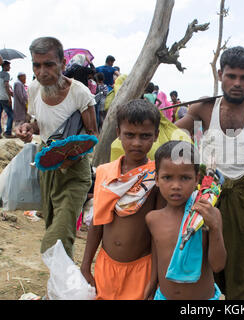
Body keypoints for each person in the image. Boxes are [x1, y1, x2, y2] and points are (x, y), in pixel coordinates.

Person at [175, 46, 244, 300]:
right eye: (231, 76)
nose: (237, 83)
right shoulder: (203, 109)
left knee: (240, 273)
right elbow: (173, 140)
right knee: (202, 269)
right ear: (219, 74)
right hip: (204, 196)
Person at [15, 36, 98, 258]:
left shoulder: (79, 92)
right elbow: (39, 124)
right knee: (54, 225)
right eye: (37, 65)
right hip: (47, 169)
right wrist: (27, 128)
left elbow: (92, 135)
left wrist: (71, 157)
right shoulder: (34, 89)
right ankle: (62, 287)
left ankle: (62, 283)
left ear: (62, 64)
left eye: (49, 64)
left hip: (74, 172)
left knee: (59, 234)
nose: (42, 71)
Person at [81, 99, 162, 300]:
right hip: (105, 266)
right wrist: (85, 266)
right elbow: (97, 222)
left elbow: (158, 233)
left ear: (156, 136)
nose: (136, 142)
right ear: (118, 133)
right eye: (129, 135)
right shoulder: (105, 173)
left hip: (141, 269)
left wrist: (154, 279)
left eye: (145, 136)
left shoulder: (157, 177)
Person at [144, 140, 226, 300]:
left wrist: (214, 227)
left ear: (197, 179)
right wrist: (152, 283)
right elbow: (157, 255)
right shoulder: (153, 219)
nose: (176, 185)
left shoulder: (207, 215)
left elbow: (218, 266)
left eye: (185, 178)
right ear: (156, 179)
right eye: (167, 177)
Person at [0, 60, 15, 138]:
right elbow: (5, 86)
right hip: (4, 97)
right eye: (8, 66)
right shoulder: (6, 74)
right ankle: (8, 133)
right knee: (11, 115)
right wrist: (10, 98)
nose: (10, 67)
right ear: (5, 66)